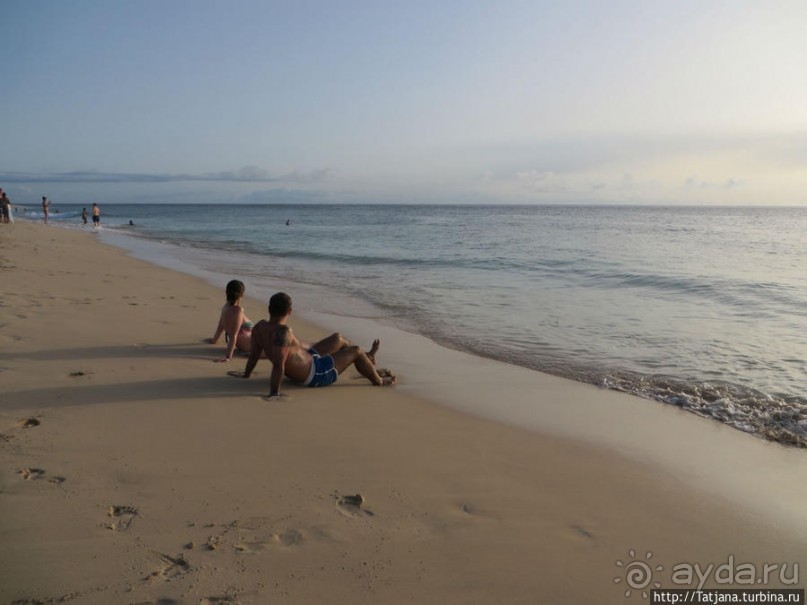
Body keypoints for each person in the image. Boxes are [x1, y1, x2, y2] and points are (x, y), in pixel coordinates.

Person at [228, 292, 396, 399]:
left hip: (310, 359)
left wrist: (247, 374)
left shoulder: (259, 327)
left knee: (338, 338)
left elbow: (255, 355)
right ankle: (378, 380)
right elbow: (279, 365)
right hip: (315, 374)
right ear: (290, 312)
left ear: (269, 309)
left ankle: (368, 359)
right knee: (356, 351)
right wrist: (274, 393)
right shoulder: (283, 332)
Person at [208, 280, 256, 362]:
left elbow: (220, 327)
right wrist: (228, 357)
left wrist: (214, 340)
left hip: (248, 346)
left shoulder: (225, 308)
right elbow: (234, 335)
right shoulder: (238, 310)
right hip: (253, 347)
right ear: (242, 294)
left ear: (226, 292)